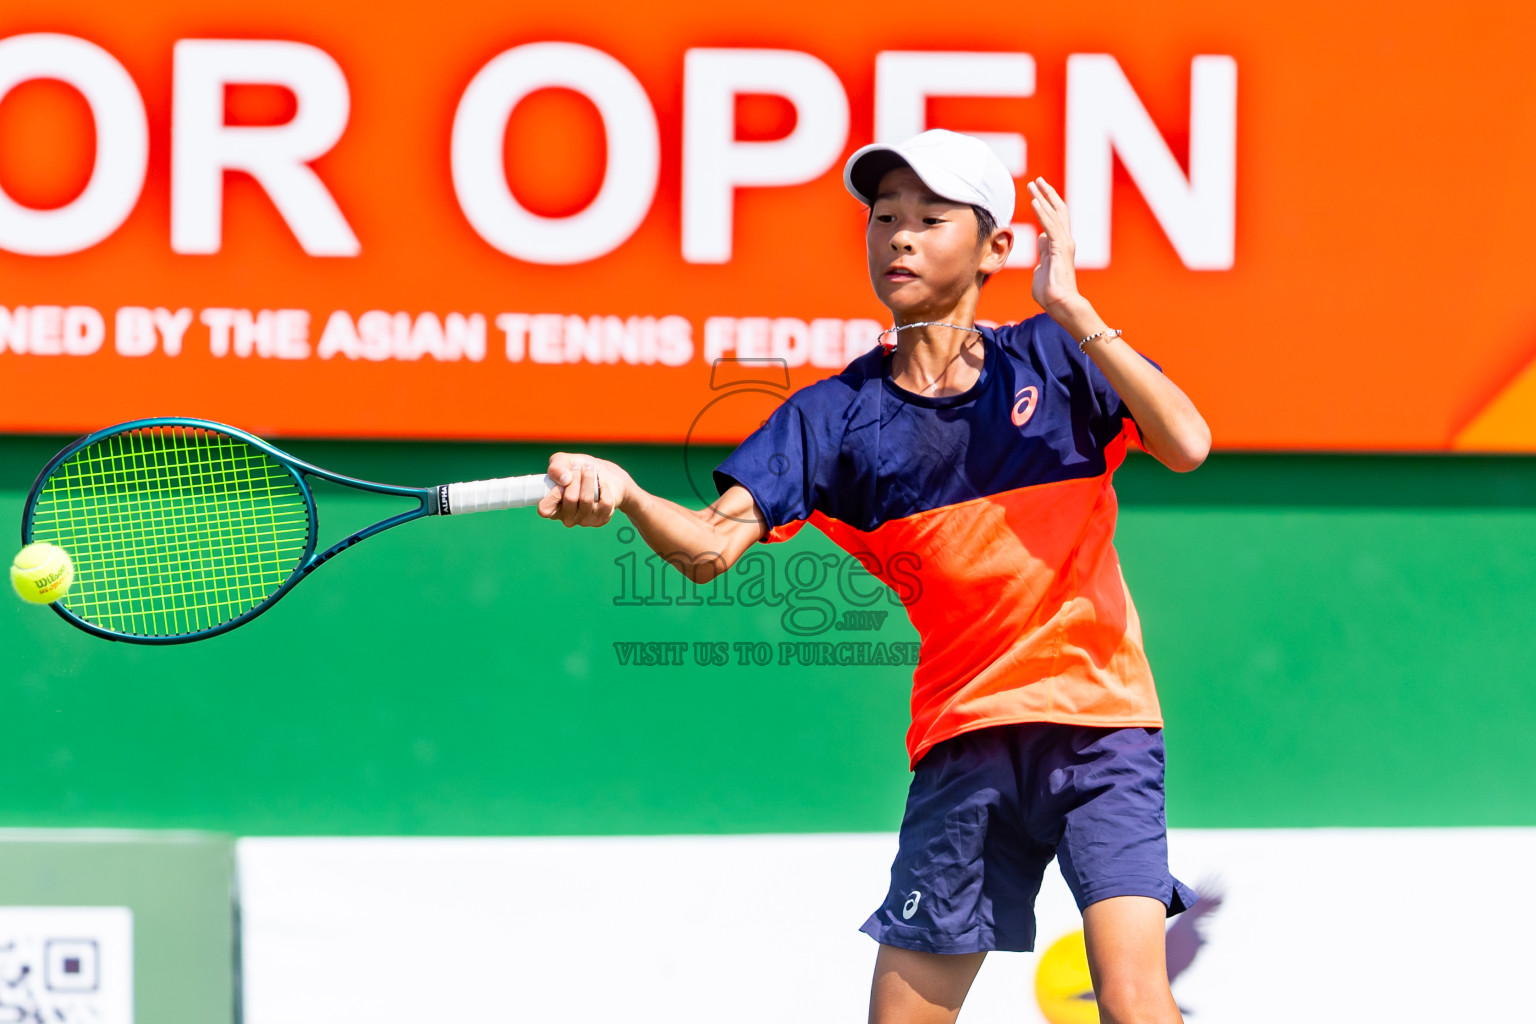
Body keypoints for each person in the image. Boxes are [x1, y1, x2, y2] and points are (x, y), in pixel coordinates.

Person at [537, 128, 1211, 1024]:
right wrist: (624, 494)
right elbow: (706, 546)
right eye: (884, 217)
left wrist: (1077, 310)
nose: (899, 236)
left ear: (995, 249)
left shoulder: (1057, 358)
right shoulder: (834, 419)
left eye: (931, 219)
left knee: (1132, 999)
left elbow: (1188, 443)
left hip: (1102, 729)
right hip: (964, 740)